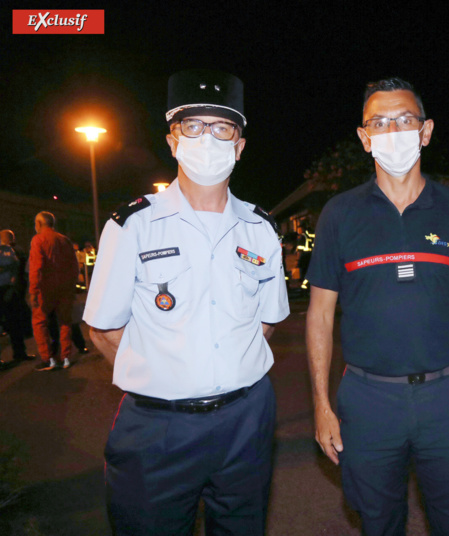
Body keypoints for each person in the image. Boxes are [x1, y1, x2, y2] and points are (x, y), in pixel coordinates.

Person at [83, 69, 289, 535]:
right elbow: (104, 329)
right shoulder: (132, 225)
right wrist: (170, 370)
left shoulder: (261, 229)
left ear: (239, 146)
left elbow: (267, 321)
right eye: (193, 127)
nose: (208, 139)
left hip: (246, 421)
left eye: (222, 129)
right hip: (158, 430)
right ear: (173, 141)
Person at [306, 77, 449, 536]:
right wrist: (321, 404)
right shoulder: (339, 214)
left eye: (404, 119)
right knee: (377, 522)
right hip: (367, 398)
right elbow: (318, 314)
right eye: (379, 122)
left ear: (426, 130)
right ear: (363, 137)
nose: (392, 130)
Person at [29, 212, 79, 371]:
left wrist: (33, 291)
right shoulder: (64, 239)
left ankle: (48, 358)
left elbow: (36, 267)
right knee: (65, 322)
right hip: (65, 288)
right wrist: (72, 285)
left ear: (39, 223)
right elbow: (74, 265)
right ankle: (65, 357)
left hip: (46, 288)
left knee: (39, 322)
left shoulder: (38, 239)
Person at [0, 229, 34, 368]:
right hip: (6, 289)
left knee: (14, 323)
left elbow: (15, 265)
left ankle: (20, 352)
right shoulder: (9, 250)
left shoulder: (9, 250)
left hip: (9, 289)